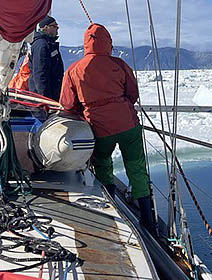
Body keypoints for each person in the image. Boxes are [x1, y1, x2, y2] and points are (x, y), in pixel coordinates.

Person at [59, 23, 155, 233]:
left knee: (102, 164)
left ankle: (112, 210)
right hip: (128, 124)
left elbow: (67, 104)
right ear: (108, 42)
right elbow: (132, 93)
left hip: (100, 127)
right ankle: (149, 221)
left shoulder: (74, 70)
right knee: (137, 168)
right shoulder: (119, 65)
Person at [29, 15, 64, 102]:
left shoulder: (48, 44)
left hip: (51, 94)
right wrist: (45, 100)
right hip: (43, 99)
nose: (57, 28)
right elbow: (40, 73)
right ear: (46, 27)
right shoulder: (41, 45)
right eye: (55, 26)